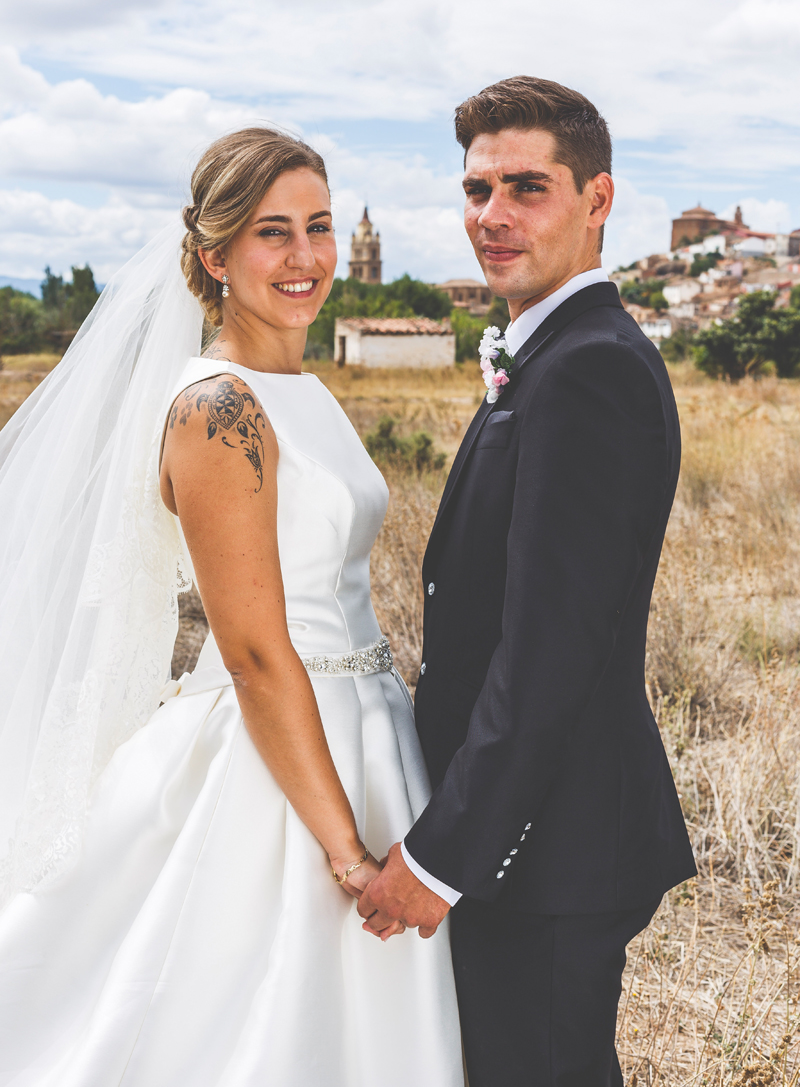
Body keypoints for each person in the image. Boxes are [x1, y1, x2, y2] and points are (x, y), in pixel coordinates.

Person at [0, 128, 463, 1086]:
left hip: (367, 731)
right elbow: (253, 650)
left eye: (320, 227)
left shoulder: (299, 389)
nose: (306, 258)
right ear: (214, 257)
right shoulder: (220, 409)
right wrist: (344, 853)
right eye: (271, 233)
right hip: (278, 757)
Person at [358, 77, 697, 1086]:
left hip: (547, 846)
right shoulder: (546, 351)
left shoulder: (586, 367)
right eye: (474, 190)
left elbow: (550, 647)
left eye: (525, 188)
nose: (490, 217)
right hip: (533, 833)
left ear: (596, 200)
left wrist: (442, 854)